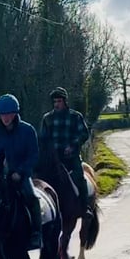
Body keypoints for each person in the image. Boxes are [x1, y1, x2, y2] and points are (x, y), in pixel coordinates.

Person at [0, 93, 42, 249]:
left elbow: (34, 155)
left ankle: (37, 233)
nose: (5, 117)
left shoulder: (27, 130)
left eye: (9, 113)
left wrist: (20, 171)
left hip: (20, 176)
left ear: (15, 113)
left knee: (32, 197)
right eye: (2, 114)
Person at [39, 86, 91, 217]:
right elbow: (43, 139)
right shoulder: (47, 118)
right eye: (55, 102)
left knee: (80, 178)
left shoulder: (75, 116)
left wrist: (73, 146)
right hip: (53, 159)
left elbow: (84, 134)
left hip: (70, 157)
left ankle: (85, 208)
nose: (56, 104)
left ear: (65, 101)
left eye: (59, 101)